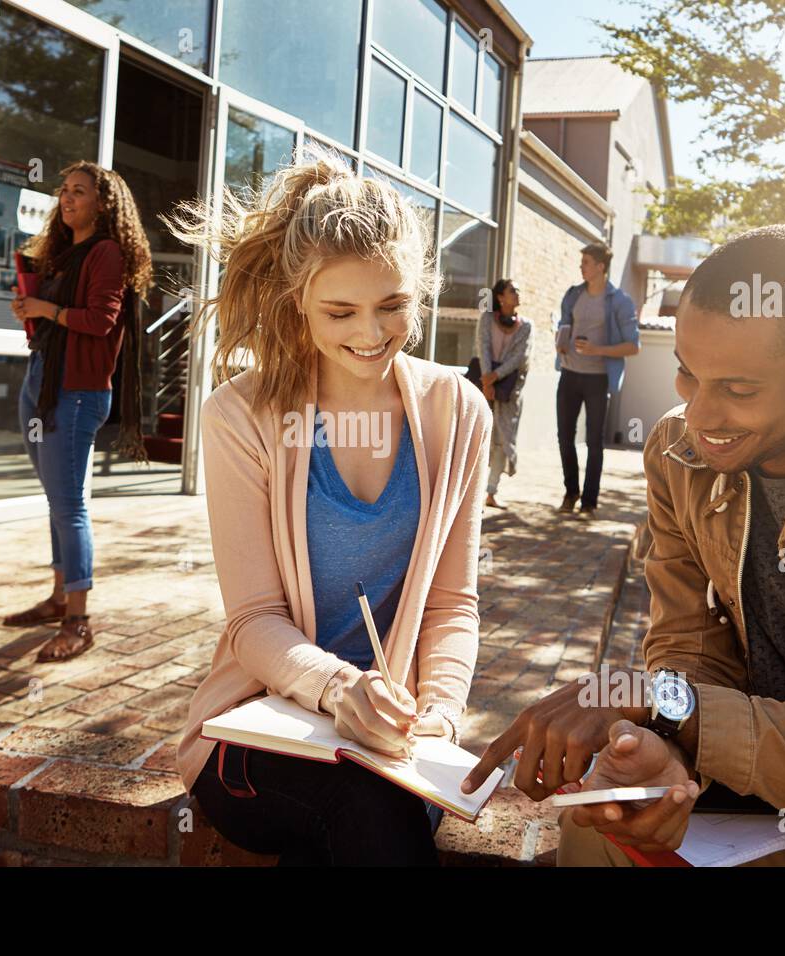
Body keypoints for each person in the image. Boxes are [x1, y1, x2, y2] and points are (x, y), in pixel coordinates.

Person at [464, 225, 785, 866]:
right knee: (598, 825)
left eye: (739, 390)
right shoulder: (676, 451)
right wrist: (669, 760)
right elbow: (689, 651)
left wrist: (668, 703)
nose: (701, 416)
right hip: (756, 791)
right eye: (687, 374)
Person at [167, 149, 491, 866]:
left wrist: (437, 717)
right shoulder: (240, 416)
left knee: (370, 813)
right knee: (366, 812)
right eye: (340, 311)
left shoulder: (457, 410)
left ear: (423, 292)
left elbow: (451, 607)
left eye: (394, 305)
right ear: (297, 301)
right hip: (252, 732)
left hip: (388, 745)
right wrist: (341, 689)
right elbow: (253, 621)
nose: (371, 333)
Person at [0, 162, 153, 662]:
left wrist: (48, 311)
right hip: (42, 382)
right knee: (56, 499)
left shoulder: (106, 252)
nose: (66, 199)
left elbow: (101, 319)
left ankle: (78, 621)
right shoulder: (65, 253)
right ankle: (59, 596)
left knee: (70, 506)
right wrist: (31, 309)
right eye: (63, 191)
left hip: (78, 391)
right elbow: (58, 318)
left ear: (103, 204)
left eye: (79, 192)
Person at [554, 243, 639, 520]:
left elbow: (632, 346)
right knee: (565, 437)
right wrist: (561, 343)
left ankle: (589, 500)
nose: (582, 267)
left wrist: (597, 350)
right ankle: (571, 492)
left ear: (601, 267)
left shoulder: (619, 301)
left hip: (597, 379)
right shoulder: (573, 295)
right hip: (569, 373)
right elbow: (564, 326)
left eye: (587, 262)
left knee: (594, 441)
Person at [475, 278, 531, 508]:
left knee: (502, 440)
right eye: (512, 291)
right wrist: (487, 379)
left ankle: (491, 491)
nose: (517, 294)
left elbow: (520, 357)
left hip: (509, 389)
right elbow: (483, 346)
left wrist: (495, 377)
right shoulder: (487, 318)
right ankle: (472, 490)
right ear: (500, 297)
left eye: (518, 290)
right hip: (483, 382)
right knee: (479, 437)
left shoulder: (526, 325)